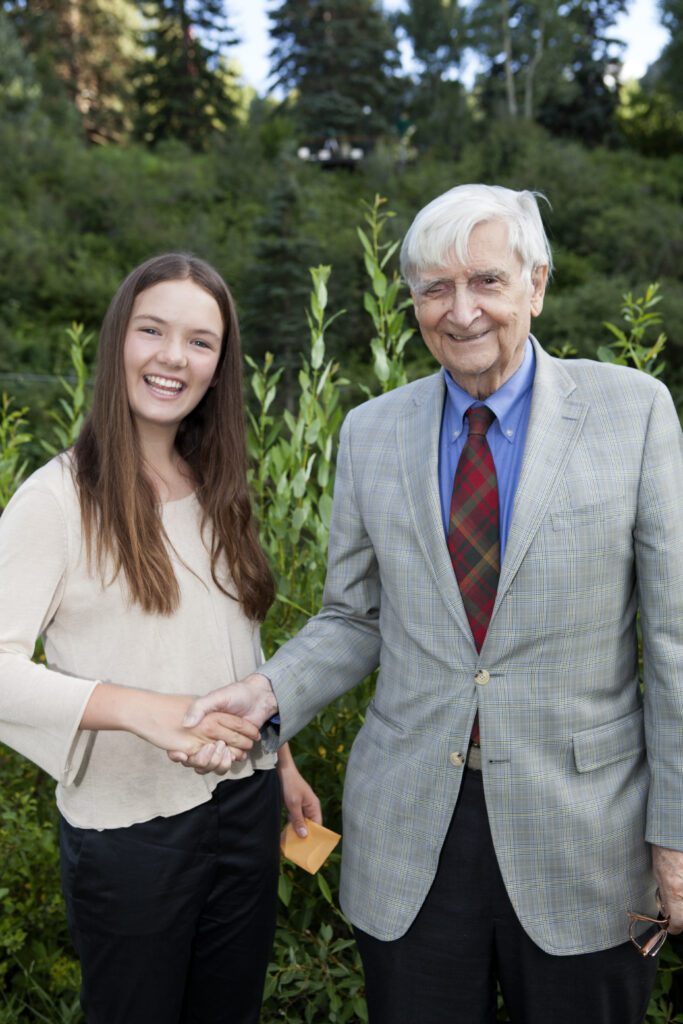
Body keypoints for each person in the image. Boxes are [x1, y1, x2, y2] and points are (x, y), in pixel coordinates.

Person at [176, 185, 683, 1024]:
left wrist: (674, 834)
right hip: (411, 832)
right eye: (432, 289)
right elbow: (352, 617)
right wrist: (266, 696)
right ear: (411, 301)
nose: (460, 311)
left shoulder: (632, 414)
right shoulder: (371, 431)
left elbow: (672, 644)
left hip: (586, 836)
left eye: (485, 281)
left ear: (537, 285)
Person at [0, 253, 321, 1024]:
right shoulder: (56, 499)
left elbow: (234, 645)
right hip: (132, 837)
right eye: (153, 330)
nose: (174, 356)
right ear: (118, 342)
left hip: (243, 811)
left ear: (219, 364)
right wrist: (146, 711)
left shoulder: (216, 485)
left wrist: (278, 757)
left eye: (200, 341)